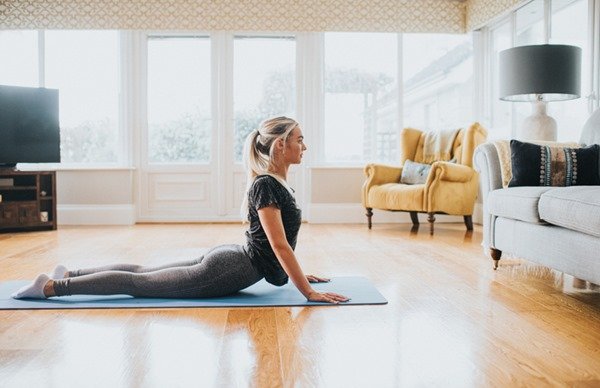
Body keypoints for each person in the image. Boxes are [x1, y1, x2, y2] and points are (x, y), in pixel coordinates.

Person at [12, 116, 349, 304]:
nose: (304, 146)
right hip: (229, 269)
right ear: (281, 145)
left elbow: (279, 245)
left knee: (143, 271)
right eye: (299, 139)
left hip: (233, 257)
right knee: (141, 284)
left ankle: (68, 274)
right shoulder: (267, 185)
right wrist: (307, 291)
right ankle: (51, 287)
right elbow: (278, 246)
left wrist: (301, 274)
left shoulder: (275, 183)